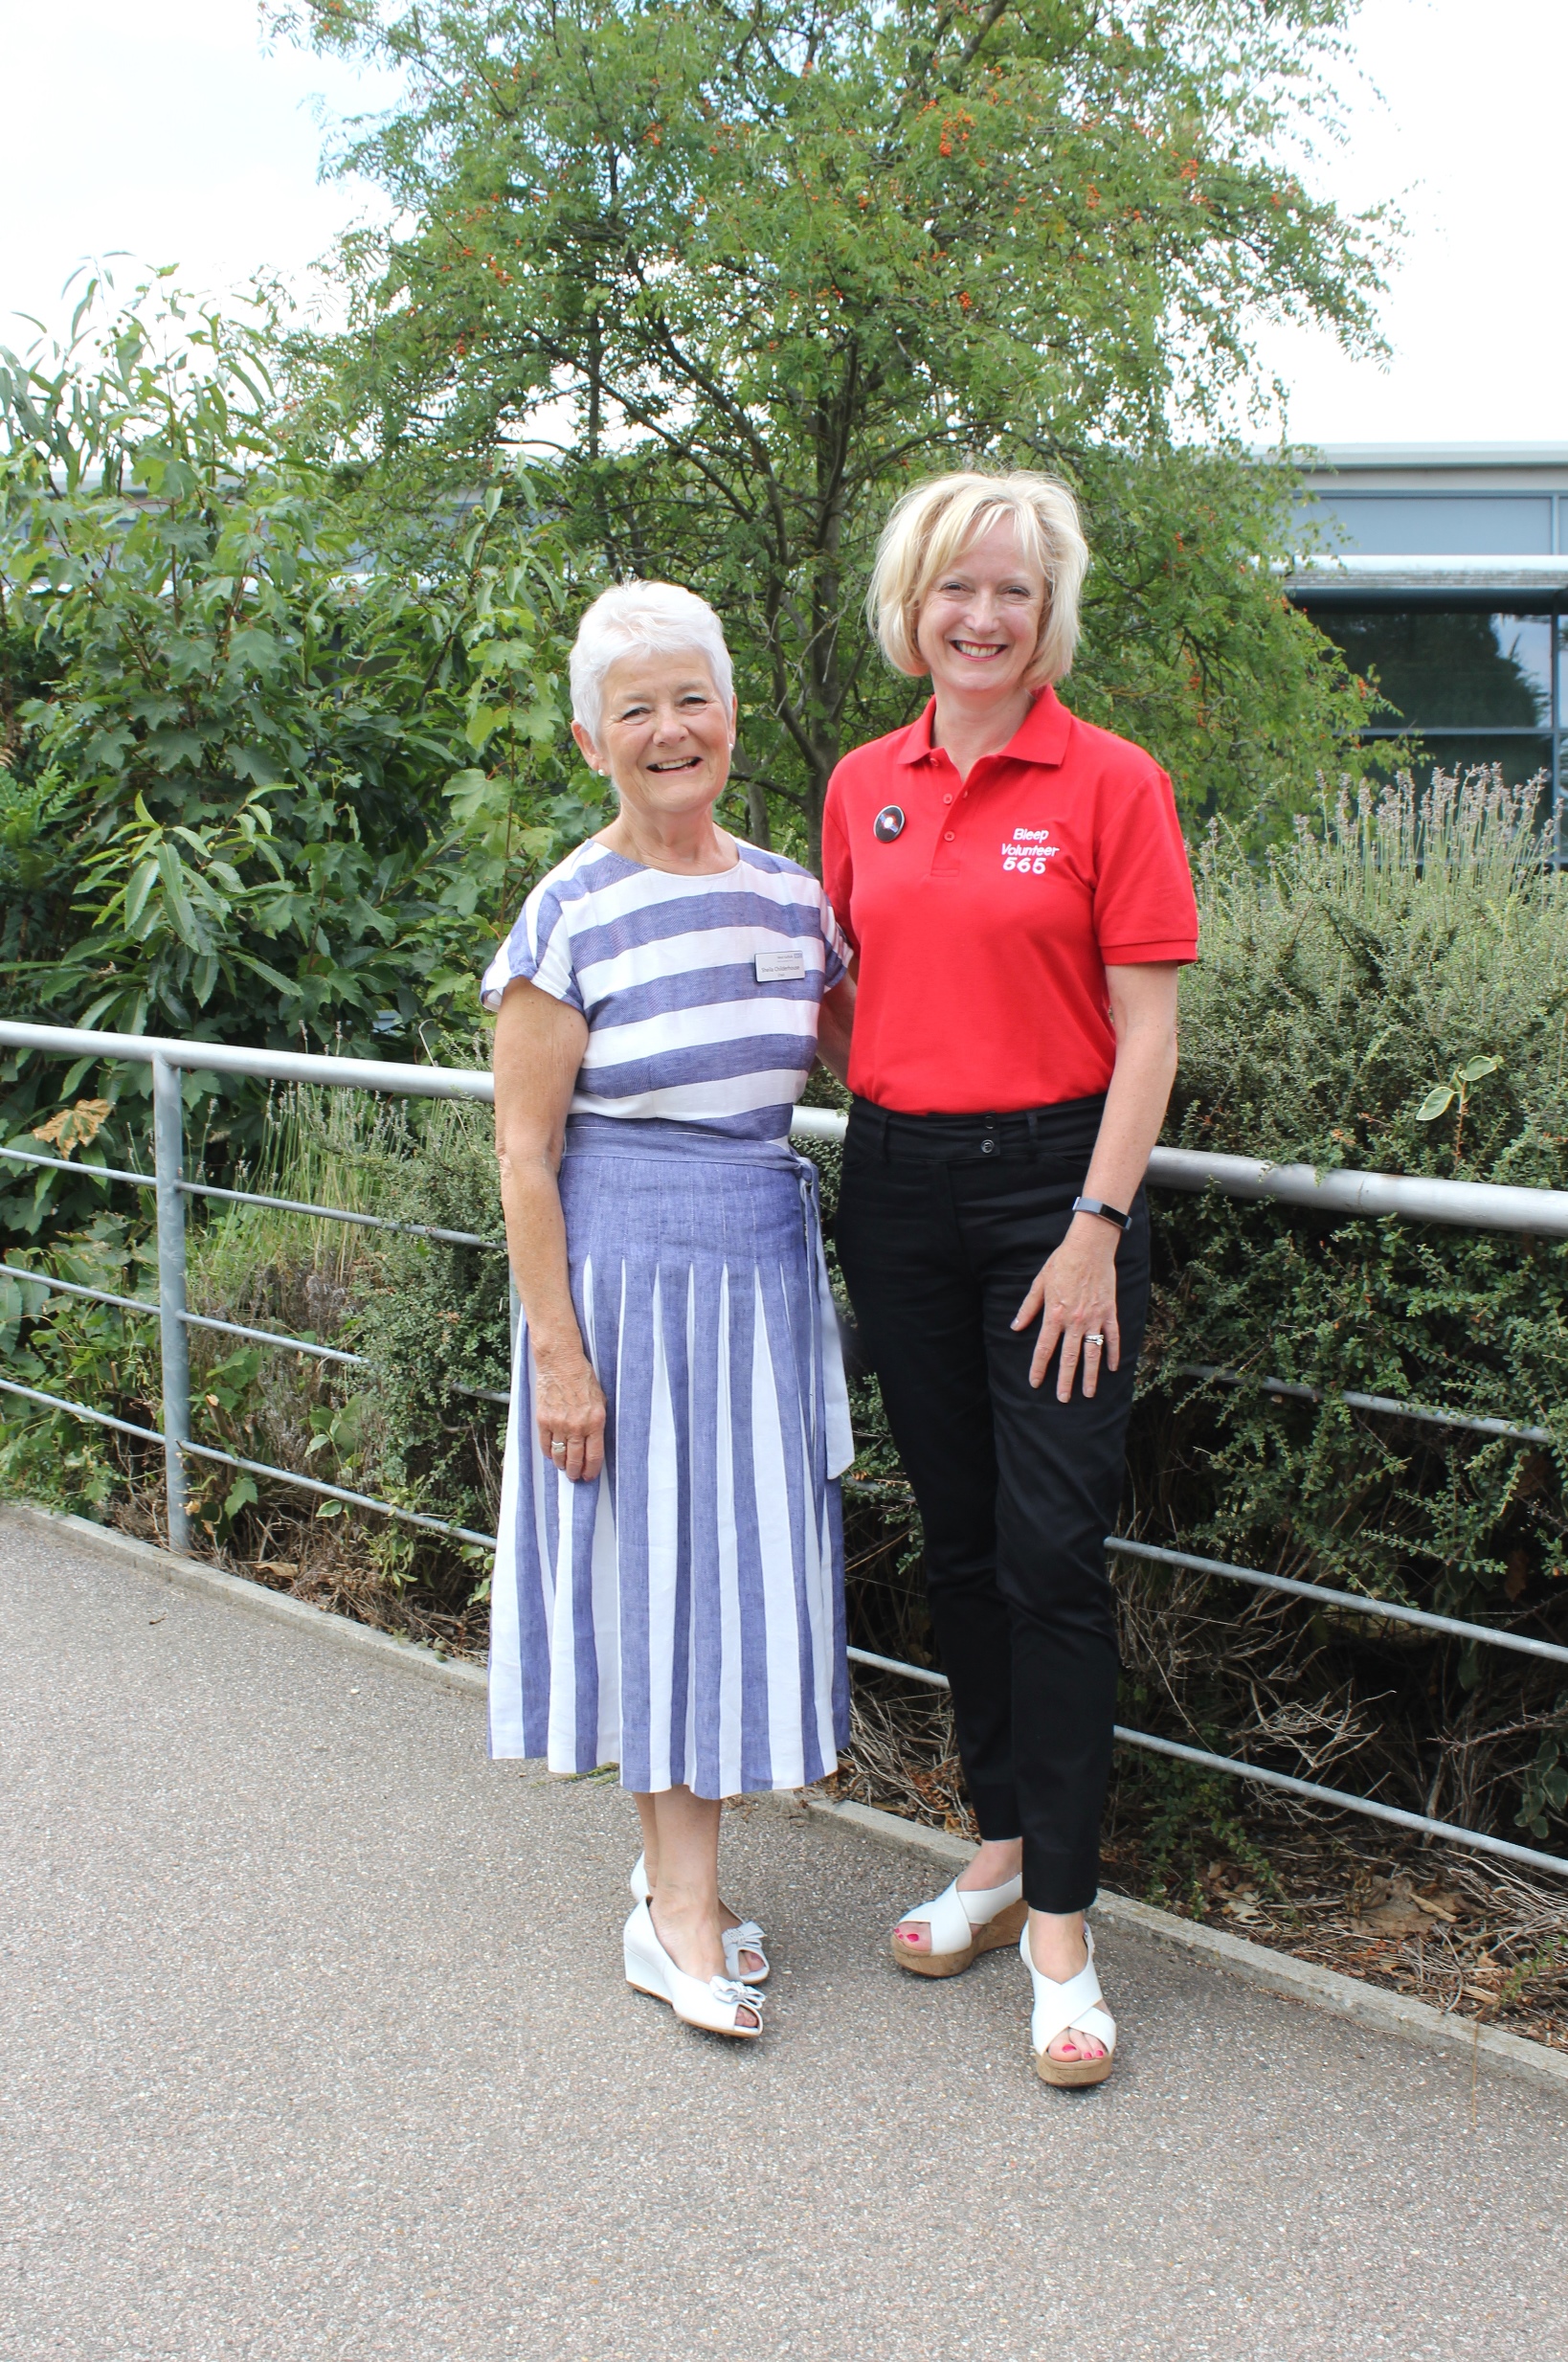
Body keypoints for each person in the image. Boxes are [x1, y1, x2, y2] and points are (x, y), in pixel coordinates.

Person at [823, 471, 1198, 2087]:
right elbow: (842, 996)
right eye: (952, 591)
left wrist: (1094, 1229)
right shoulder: (861, 784)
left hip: (1057, 1198)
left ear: (1050, 614)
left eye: (1013, 594)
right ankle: (989, 1846)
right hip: (896, 1186)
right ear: (909, 606)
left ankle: (1060, 1923)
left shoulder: (1114, 783)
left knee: (1051, 1553)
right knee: (960, 1544)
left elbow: (1149, 1034)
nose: (980, 619)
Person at [483, 581, 856, 2042]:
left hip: (758, 1273)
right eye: (632, 708)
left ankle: (677, 1895)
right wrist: (560, 1358)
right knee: (655, 1576)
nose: (666, 730)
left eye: (687, 699)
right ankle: (677, 1909)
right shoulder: (566, 909)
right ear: (591, 738)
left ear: (731, 716)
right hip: (623, 1288)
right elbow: (523, 1152)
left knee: (736, 1571)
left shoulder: (789, 896)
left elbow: (871, 1051)